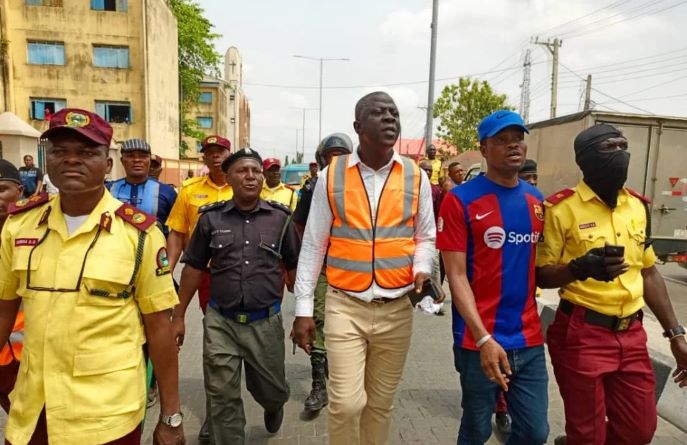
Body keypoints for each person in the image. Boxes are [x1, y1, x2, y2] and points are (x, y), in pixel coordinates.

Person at [0, 108, 184, 445]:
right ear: (47, 159)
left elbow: (160, 328)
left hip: (107, 416)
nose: (72, 160)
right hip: (32, 410)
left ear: (107, 163)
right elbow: (4, 310)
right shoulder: (19, 226)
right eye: (59, 151)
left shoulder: (140, 235)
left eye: (86, 152)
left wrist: (171, 415)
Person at [292, 92, 437, 445]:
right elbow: (313, 244)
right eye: (379, 112)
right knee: (345, 404)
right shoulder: (332, 176)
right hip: (345, 306)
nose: (390, 118)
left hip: (397, 310)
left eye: (394, 112)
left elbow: (426, 237)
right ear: (358, 126)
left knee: (380, 405)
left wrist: (422, 269)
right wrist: (303, 310)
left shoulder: (416, 177)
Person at [536, 123, 687, 445]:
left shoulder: (637, 206)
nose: (619, 154)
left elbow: (648, 273)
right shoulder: (561, 209)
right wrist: (580, 268)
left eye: (623, 146)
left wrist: (676, 334)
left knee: (639, 431)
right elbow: (541, 274)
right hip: (582, 332)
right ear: (586, 158)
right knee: (588, 434)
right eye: (609, 147)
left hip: (632, 335)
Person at [172, 148, 300, 444]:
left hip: (265, 322)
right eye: (243, 171)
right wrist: (178, 317)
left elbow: (295, 266)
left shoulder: (280, 219)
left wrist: (305, 315)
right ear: (228, 177)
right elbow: (193, 269)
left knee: (271, 389)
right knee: (222, 395)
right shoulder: (209, 219)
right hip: (221, 321)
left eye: (256, 171)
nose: (251, 176)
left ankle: (273, 403)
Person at [437, 110, 549, 445]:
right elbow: (455, 275)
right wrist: (483, 339)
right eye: (502, 140)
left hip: (528, 339)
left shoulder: (537, 201)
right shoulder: (460, 200)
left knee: (534, 433)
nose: (514, 146)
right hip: (478, 341)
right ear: (484, 149)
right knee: (477, 429)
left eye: (518, 139)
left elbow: (540, 266)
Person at [165, 134, 232, 443]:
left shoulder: (244, 183)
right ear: (203, 158)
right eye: (209, 152)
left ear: (229, 154)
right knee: (215, 342)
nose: (215, 156)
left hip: (240, 275)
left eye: (220, 151)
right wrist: (165, 271)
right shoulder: (189, 192)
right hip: (203, 276)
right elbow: (177, 233)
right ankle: (216, 411)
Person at [291, 133, 353, 414]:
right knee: (317, 319)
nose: (337, 161)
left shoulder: (361, 184)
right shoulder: (314, 186)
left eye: (342, 155)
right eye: (332, 156)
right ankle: (318, 384)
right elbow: (300, 226)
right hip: (325, 267)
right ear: (322, 159)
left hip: (355, 270)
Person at [0, 161, 47, 445]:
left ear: (19, 190)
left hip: (25, 357)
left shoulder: (35, 229)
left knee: (33, 432)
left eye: (2, 189)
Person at [107, 139, 177, 236]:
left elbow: (178, 231)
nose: (137, 160)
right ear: (122, 161)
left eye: (143, 156)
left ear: (149, 161)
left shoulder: (167, 192)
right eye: (130, 156)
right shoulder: (108, 190)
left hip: (155, 249)